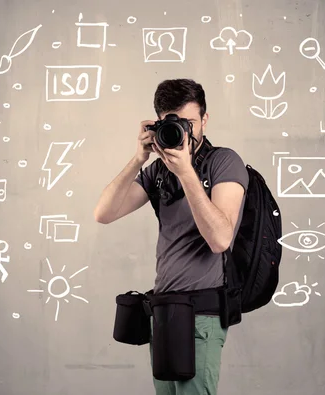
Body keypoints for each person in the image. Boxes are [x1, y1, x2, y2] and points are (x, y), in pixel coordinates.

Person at [93, 78, 249, 395]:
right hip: (163, 309)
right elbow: (103, 213)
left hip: (202, 312)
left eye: (190, 122)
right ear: (159, 123)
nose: (185, 132)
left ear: (205, 119)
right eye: (174, 124)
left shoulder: (223, 162)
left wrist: (188, 173)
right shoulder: (160, 169)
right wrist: (139, 158)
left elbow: (220, 239)